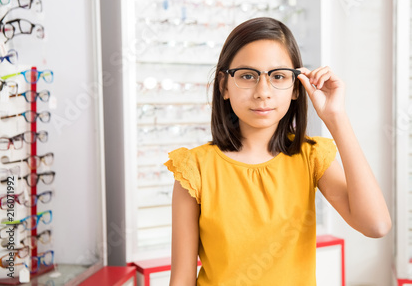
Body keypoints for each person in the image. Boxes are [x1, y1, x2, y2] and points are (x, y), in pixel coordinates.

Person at [165, 17, 391, 285]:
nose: (263, 92)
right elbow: (181, 278)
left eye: (278, 76)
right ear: (224, 85)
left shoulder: (312, 156)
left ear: (296, 87)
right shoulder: (193, 169)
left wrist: (336, 117)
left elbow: (376, 226)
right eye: (248, 76)